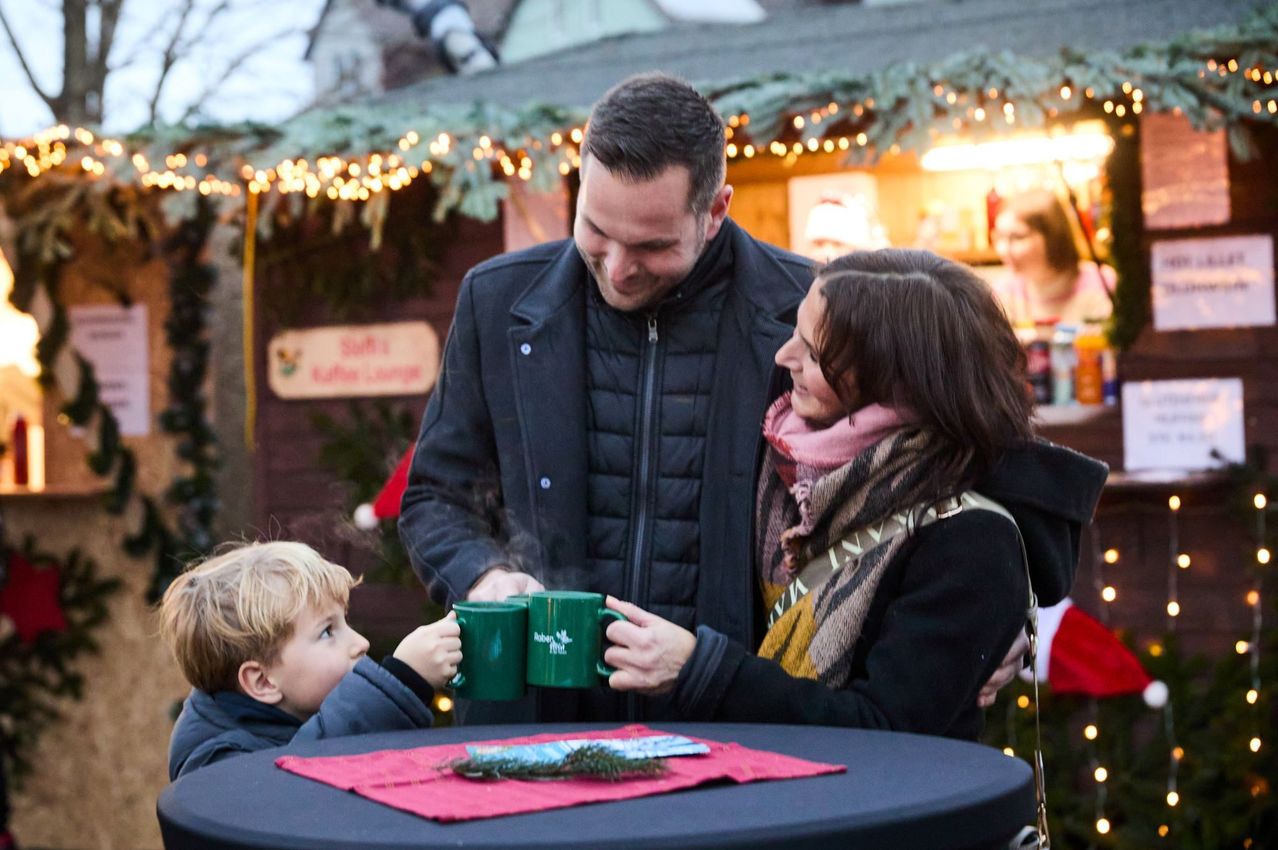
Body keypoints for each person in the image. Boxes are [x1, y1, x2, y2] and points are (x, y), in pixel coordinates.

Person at [400, 73, 1079, 724]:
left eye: (651, 245)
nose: (616, 267)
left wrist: (998, 623)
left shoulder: (811, 311)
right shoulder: (496, 300)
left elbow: (952, 453)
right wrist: (483, 576)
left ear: (716, 209)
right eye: (596, 232)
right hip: (534, 719)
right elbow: (435, 495)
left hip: (741, 726)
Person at [603, 250, 1107, 738]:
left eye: (814, 351)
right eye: (794, 331)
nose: (784, 356)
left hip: (879, 815)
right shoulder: (779, 461)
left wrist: (701, 672)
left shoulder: (972, 539)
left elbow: (886, 730)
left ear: (893, 381)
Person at [159, 541, 461, 779]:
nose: (361, 643)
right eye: (328, 632)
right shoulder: (216, 765)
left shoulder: (288, 711)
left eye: (345, 621)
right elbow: (300, 787)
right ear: (263, 681)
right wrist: (401, 681)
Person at [992, 188, 1115, 326]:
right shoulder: (1003, 293)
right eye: (1000, 237)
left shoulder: (1103, 282)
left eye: (1018, 237)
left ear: (1053, 237)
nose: (1003, 249)